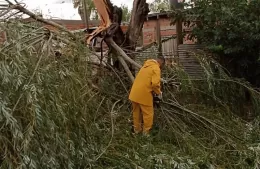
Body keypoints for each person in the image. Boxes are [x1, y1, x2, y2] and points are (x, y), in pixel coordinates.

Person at [129, 56, 165, 135]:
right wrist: (159, 93)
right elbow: (155, 84)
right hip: (144, 94)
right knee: (148, 114)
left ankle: (137, 130)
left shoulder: (145, 66)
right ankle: (146, 134)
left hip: (134, 94)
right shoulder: (156, 68)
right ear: (161, 63)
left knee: (136, 113)